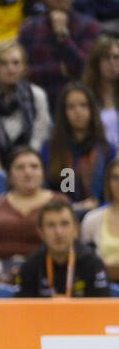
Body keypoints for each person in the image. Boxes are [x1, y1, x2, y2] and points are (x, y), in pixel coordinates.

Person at [0, 147, 62, 279]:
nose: (28, 172)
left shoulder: (59, 203)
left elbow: (73, 249)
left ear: (43, 173)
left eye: (34, 167)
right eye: (20, 168)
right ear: (9, 175)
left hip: (47, 275)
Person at [17, 0, 101, 111]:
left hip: (80, 107)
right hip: (38, 105)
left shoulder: (90, 27)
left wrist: (63, 35)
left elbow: (87, 70)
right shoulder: (28, 29)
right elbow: (21, 73)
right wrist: (60, 69)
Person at [0, 42, 50, 171]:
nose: (10, 68)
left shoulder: (37, 96)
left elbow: (39, 136)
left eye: (16, 63)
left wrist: (23, 167)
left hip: (30, 159)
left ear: (24, 67)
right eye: (3, 64)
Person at [43, 82, 115, 214]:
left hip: (100, 214)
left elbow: (113, 191)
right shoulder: (51, 148)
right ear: (63, 112)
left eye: (83, 105)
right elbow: (45, 190)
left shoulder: (107, 150)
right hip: (60, 215)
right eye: (71, 107)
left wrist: (97, 206)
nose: (78, 111)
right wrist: (72, 206)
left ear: (92, 110)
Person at [17, 198, 111, 297]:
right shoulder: (31, 266)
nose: (58, 232)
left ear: (76, 229)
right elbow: (21, 310)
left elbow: (101, 310)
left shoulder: (93, 264)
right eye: (51, 225)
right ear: (41, 233)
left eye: (64, 224)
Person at [79, 157, 119, 279]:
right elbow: (84, 261)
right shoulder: (92, 219)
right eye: (116, 178)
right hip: (102, 286)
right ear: (108, 182)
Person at [84, 35, 119, 153]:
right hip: (98, 156)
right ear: (96, 63)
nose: (112, 63)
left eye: (116, 57)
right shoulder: (86, 95)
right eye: (106, 58)